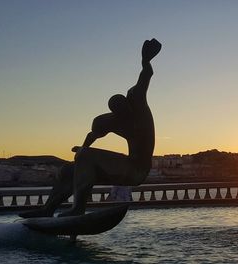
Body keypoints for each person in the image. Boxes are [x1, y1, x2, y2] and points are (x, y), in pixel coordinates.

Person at [20, 38, 162, 218]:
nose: (125, 115)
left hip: (137, 170)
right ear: (115, 113)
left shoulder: (138, 106)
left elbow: (145, 78)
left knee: (86, 155)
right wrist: (81, 151)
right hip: (123, 168)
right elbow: (92, 135)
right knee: (68, 170)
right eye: (120, 113)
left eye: (126, 110)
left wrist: (146, 62)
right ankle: (48, 209)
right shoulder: (110, 121)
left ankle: (77, 209)